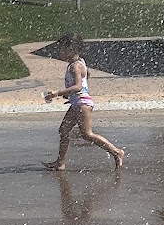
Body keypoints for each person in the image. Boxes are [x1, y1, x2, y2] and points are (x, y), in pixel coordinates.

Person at [44, 31, 124, 169]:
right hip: (77, 102)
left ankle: (116, 152)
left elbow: (78, 86)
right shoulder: (79, 62)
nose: (59, 52)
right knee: (63, 130)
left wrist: (58, 93)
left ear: (71, 49)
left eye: (61, 49)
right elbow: (87, 76)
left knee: (87, 134)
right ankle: (60, 162)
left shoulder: (75, 66)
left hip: (82, 104)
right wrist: (70, 95)